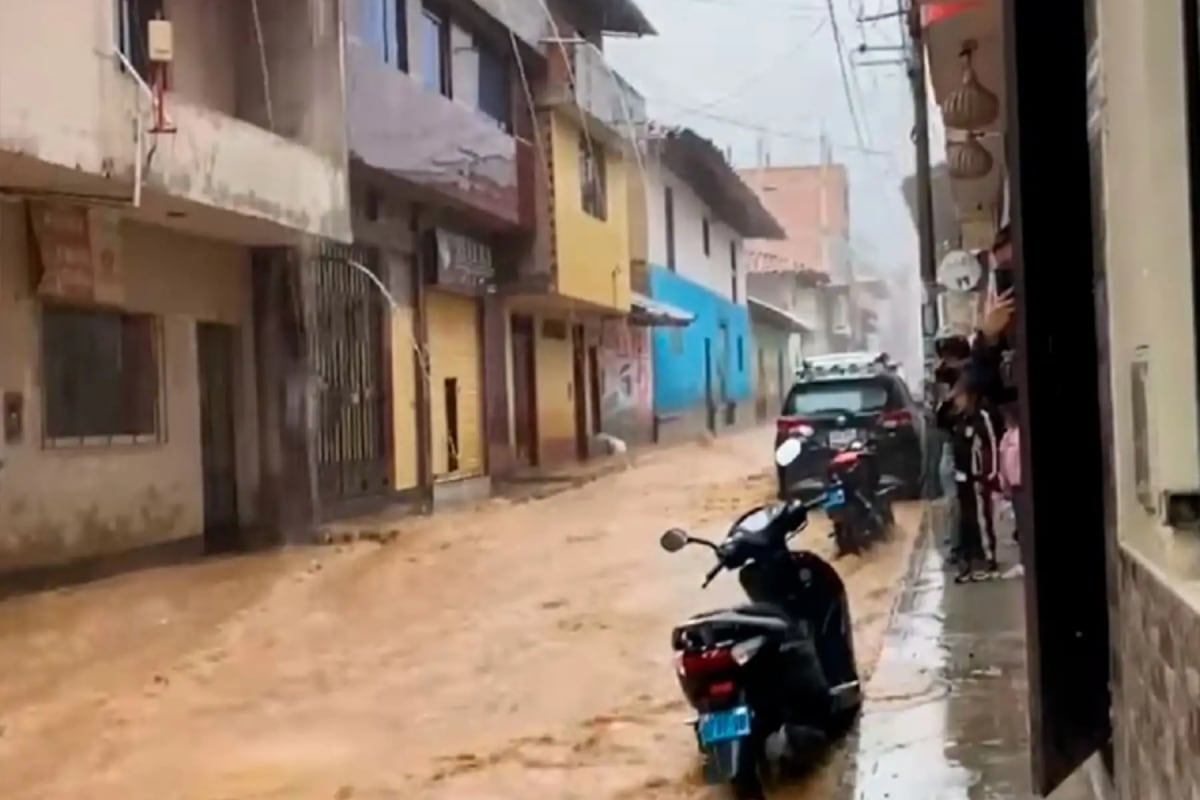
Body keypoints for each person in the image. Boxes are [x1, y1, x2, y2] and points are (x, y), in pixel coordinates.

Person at [938, 366, 1002, 583]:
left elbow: (992, 443)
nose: (957, 401)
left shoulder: (982, 416)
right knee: (966, 521)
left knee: (982, 519)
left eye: (960, 396)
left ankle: (988, 560)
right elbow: (940, 419)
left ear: (971, 395)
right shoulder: (959, 419)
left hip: (978, 478)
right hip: (962, 478)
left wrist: (991, 473)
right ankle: (971, 560)